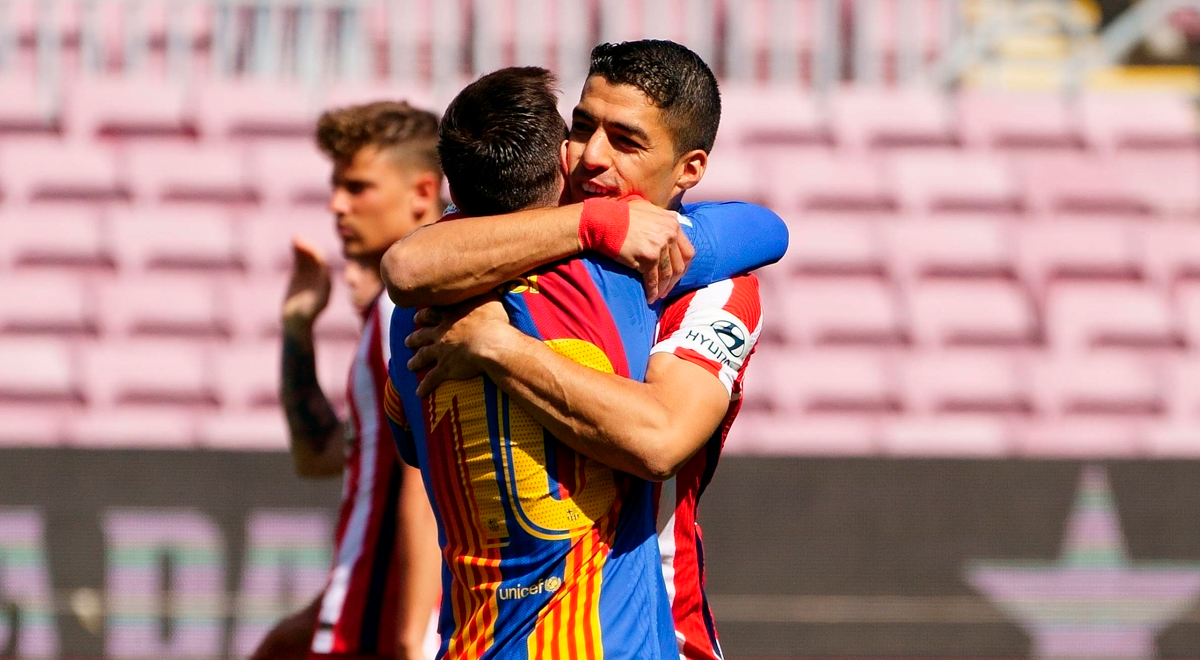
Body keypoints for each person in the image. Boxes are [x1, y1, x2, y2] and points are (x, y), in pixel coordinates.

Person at [384, 63, 784, 658]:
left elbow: (661, 438)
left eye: (626, 141)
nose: (594, 156)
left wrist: (498, 346)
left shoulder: (706, 289)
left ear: (690, 168)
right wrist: (598, 222)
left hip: (645, 627)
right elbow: (766, 229)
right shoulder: (621, 272)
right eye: (581, 127)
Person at [254, 101, 442, 660]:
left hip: (387, 632)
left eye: (358, 188)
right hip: (356, 619)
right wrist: (296, 327)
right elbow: (321, 454)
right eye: (336, 186)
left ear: (421, 194)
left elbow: (423, 479)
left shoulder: (407, 309)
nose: (338, 205)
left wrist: (412, 639)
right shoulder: (386, 309)